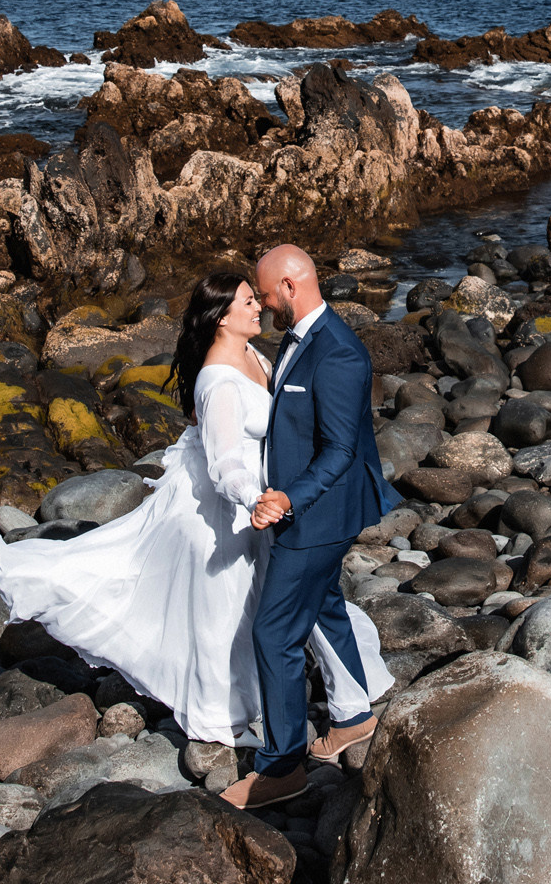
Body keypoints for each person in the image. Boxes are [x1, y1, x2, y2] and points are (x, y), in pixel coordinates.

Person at [0, 268, 392, 753]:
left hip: (272, 502)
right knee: (225, 614)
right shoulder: (217, 379)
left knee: (292, 602)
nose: (258, 307)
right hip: (230, 511)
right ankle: (227, 715)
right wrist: (255, 500)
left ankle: (345, 704)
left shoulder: (255, 355)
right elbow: (224, 463)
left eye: (256, 299)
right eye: (247, 302)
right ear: (221, 318)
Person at [220, 244, 404, 811]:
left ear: (293, 287)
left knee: (274, 635)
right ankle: (351, 719)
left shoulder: (340, 353)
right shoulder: (299, 339)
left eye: (268, 294)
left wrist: (286, 499)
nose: (266, 303)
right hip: (313, 510)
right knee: (324, 604)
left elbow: (341, 449)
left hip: (317, 516)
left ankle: (281, 769)